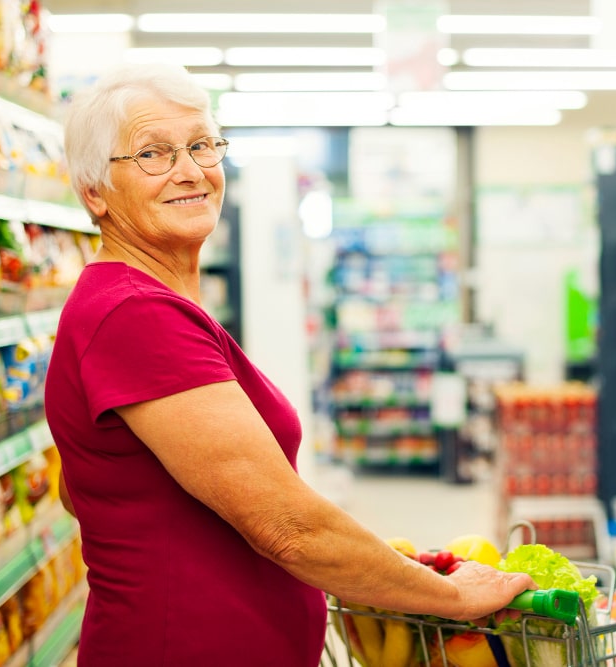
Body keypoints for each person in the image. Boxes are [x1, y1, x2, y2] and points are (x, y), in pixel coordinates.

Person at [43, 63, 534, 666]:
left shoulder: (145, 306)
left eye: (201, 145)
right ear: (94, 191)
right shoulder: (134, 314)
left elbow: (84, 488)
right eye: (153, 154)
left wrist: (383, 564)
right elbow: (286, 528)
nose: (191, 171)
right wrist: (450, 597)